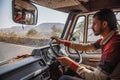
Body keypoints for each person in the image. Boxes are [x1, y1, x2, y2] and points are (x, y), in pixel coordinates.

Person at [52, 8, 120, 80]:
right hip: (102, 75)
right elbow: (86, 47)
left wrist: (70, 63)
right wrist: (63, 42)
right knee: (72, 68)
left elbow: (98, 78)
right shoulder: (110, 38)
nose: (92, 27)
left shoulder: (113, 44)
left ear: (104, 24)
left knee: (64, 79)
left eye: (94, 24)